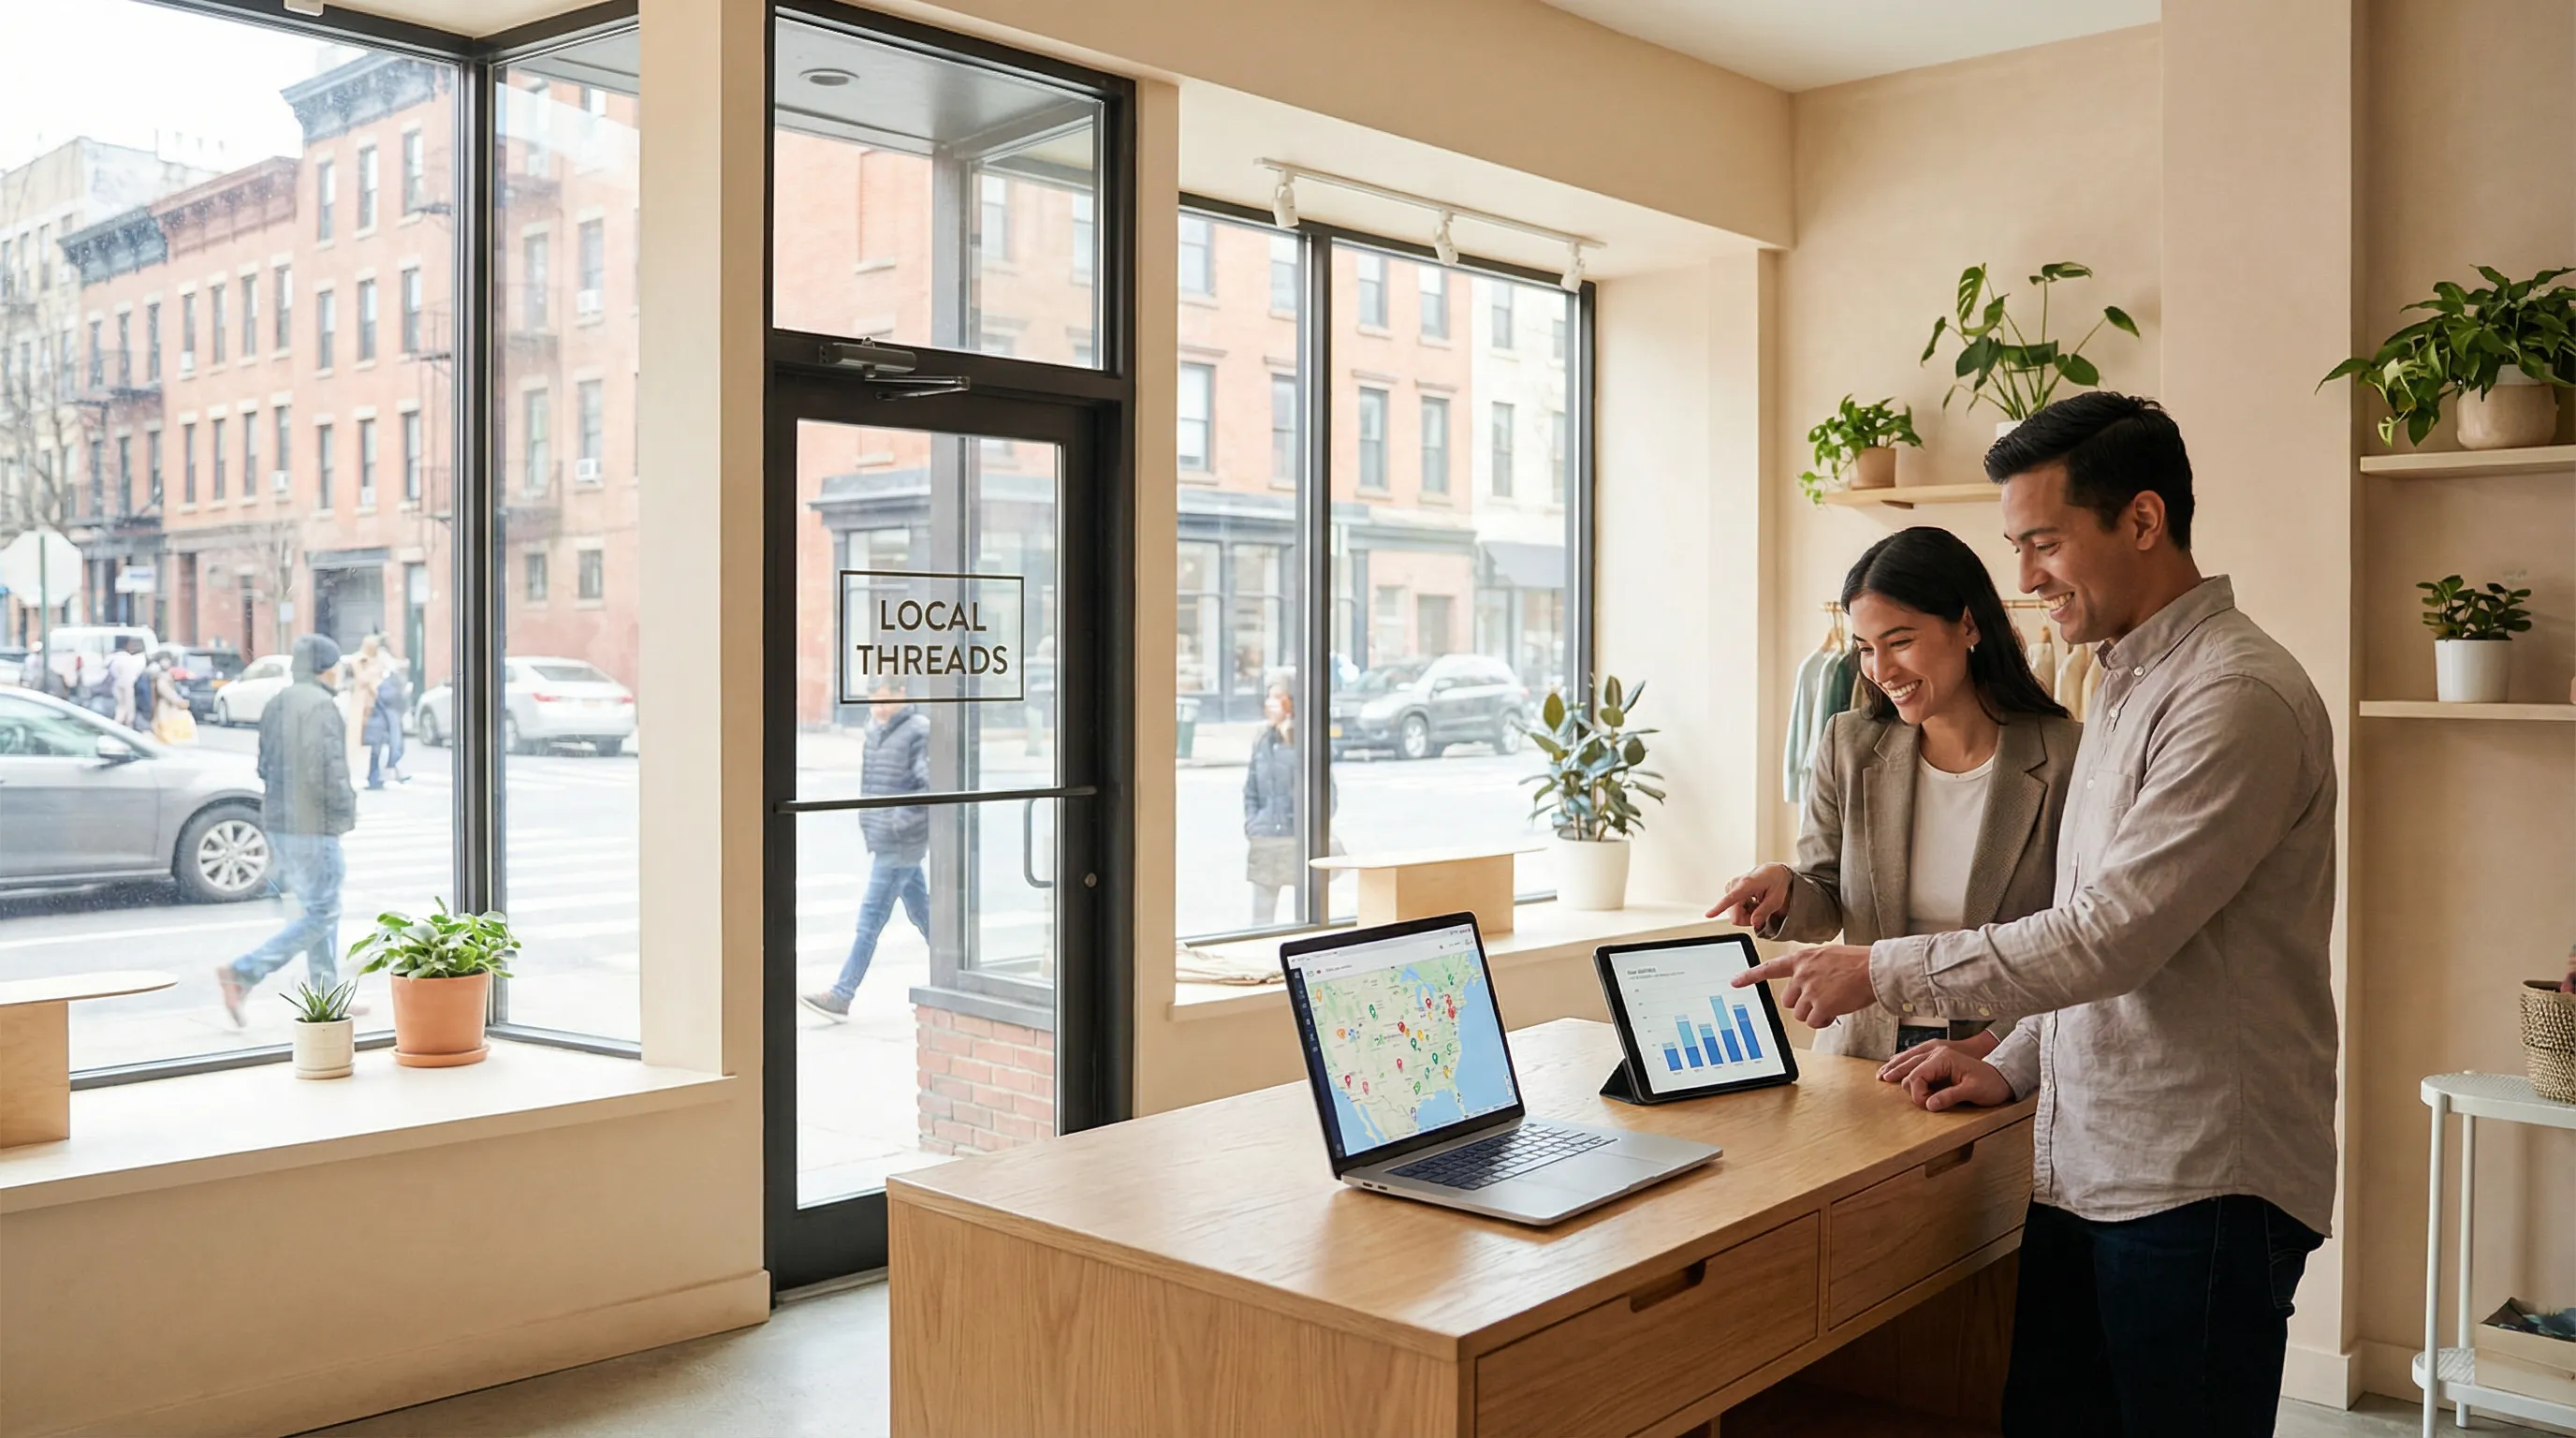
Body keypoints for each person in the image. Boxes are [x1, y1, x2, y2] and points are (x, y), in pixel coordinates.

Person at [1736, 392, 2338, 1436]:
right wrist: (2010, 1065)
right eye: (2015, 548)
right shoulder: (2122, 686)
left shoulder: (2232, 697)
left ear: (2141, 521)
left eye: (2044, 543)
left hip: (2195, 1181)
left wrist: (1875, 970)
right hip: (2087, 1164)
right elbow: (2092, 931)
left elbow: (2109, 936)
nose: (2023, 579)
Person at [1706, 526, 2080, 1069]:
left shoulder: (2068, 757)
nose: (1881, 672)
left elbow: (2078, 942)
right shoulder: (1848, 744)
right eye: (1865, 649)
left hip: (1995, 1065)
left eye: (1900, 641)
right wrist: (1785, 888)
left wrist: (1995, 1048)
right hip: (1862, 1062)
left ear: (1969, 623)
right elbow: (1830, 894)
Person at [215, 634, 359, 1026]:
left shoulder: (277, 703)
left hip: (279, 821)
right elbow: (328, 771)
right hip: (313, 825)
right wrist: (346, 813)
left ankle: (328, 997)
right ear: (327, 669)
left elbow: (264, 766)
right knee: (322, 913)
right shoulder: (322, 706)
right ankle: (243, 971)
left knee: (317, 909)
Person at [798, 685, 931, 1021]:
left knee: (869, 920)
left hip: (900, 841)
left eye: (886, 698)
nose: (879, 706)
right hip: (883, 836)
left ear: (903, 694)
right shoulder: (874, 730)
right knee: (923, 913)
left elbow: (928, 786)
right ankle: (957, 964)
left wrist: (898, 823)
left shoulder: (917, 730)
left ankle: (842, 994)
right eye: (875, 698)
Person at [1244, 681, 1304, 925]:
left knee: (1308, 915)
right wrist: (1254, 824)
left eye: (1277, 697)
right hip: (1266, 839)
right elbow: (1250, 790)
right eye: (1269, 697)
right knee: (1261, 917)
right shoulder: (1263, 740)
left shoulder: (1304, 741)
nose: (1271, 704)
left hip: (1297, 840)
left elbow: (1325, 795)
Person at [364, 649, 409, 787]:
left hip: (385, 716)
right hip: (380, 717)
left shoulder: (389, 676)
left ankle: (383, 774)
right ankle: (377, 777)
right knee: (382, 747)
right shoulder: (380, 677)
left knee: (392, 745)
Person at [151, 653, 197, 745]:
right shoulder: (161, 677)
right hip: (163, 711)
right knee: (165, 734)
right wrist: (178, 701)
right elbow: (166, 692)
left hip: (167, 710)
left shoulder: (165, 675)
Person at [110, 638, 146, 731]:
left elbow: (113, 671)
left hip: (118, 683)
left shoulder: (119, 657)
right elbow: (139, 673)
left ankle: (116, 728)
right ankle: (127, 729)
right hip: (129, 685)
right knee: (129, 710)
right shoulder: (140, 659)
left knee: (120, 707)